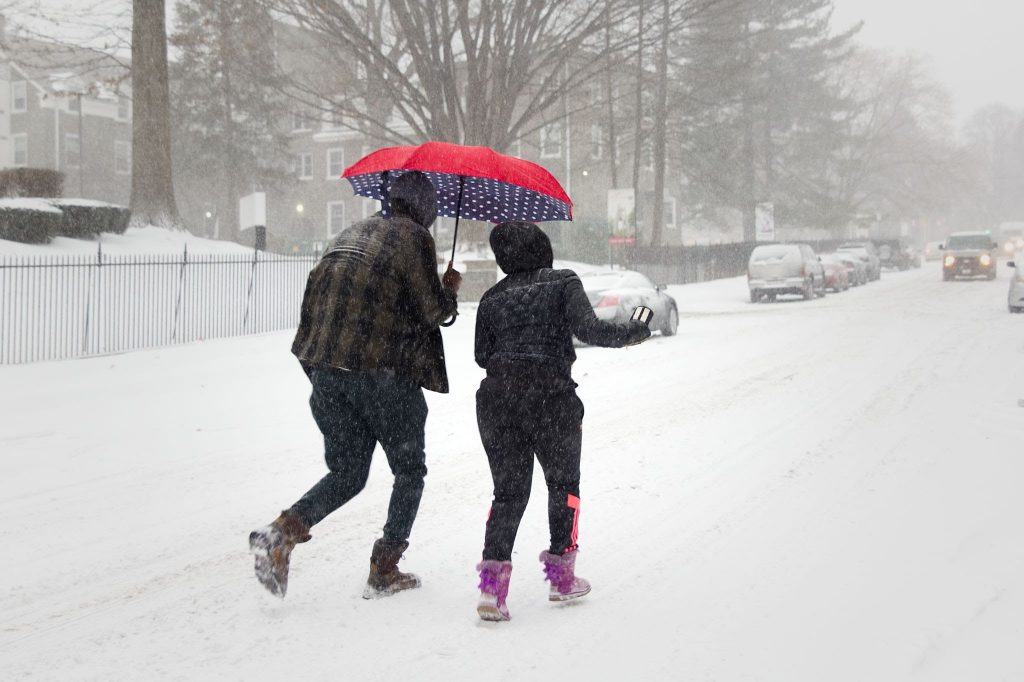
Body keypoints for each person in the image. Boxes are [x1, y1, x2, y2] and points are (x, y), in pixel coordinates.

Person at [249, 171, 462, 599]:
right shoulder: (415, 238)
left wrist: (325, 373)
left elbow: (317, 302)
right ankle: (384, 568)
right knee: (409, 470)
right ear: (425, 209)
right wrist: (449, 291)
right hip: (381, 372)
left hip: (325, 370)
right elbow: (432, 311)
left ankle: (282, 533)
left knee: (347, 472)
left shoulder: (351, 232)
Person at [473, 220, 651, 621]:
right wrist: (634, 332)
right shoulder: (562, 282)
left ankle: (491, 592)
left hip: (497, 401)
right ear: (542, 248)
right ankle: (561, 578)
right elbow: (590, 329)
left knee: (508, 494)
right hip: (551, 399)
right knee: (564, 487)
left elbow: (481, 356)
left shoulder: (490, 298)